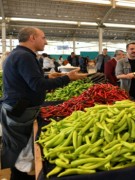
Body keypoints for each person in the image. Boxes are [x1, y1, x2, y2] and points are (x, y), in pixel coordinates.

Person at [0, 27, 87, 180]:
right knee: (19, 153)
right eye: (43, 37)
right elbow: (37, 85)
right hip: (20, 110)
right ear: (32, 37)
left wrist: (48, 78)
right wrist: (67, 78)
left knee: (18, 151)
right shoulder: (24, 56)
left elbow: (29, 82)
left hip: (18, 107)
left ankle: (18, 175)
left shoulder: (20, 54)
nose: (46, 42)